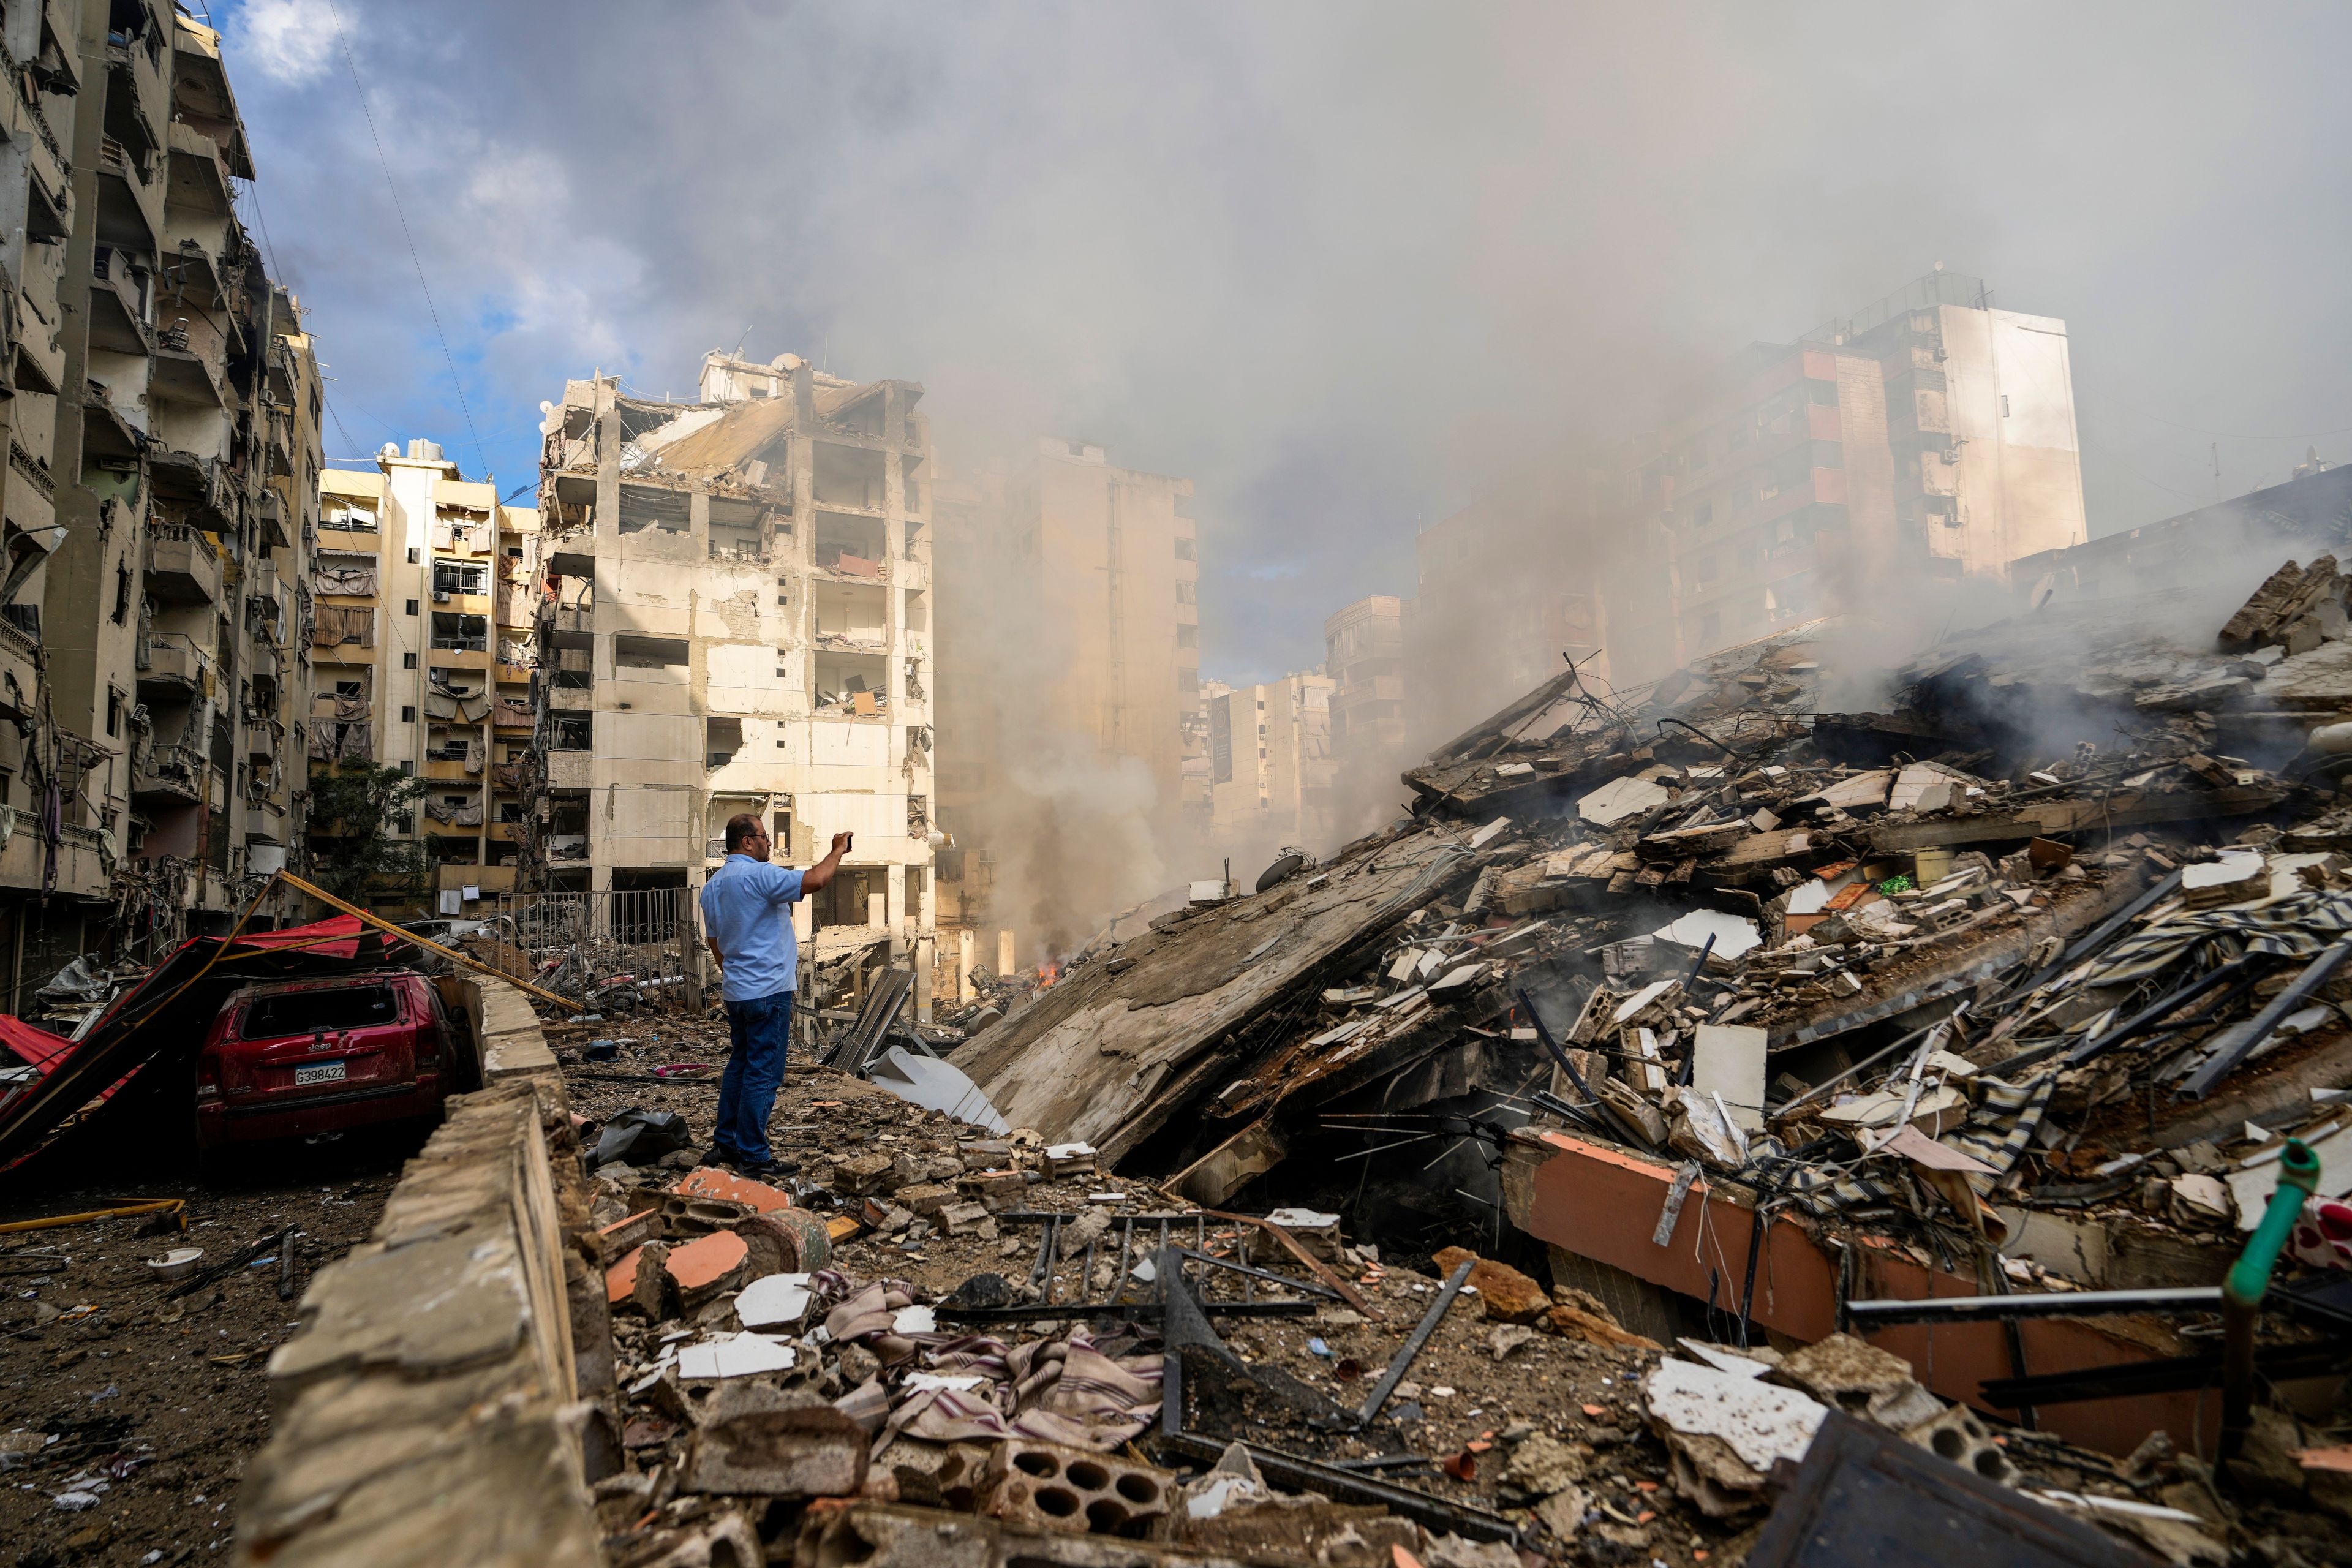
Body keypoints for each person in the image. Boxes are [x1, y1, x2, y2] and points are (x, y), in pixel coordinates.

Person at [698, 814, 851, 1178]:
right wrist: (837, 851)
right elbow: (816, 880)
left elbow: (714, 942)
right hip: (769, 991)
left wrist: (733, 973)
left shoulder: (713, 886)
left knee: (740, 1065)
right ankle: (753, 1154)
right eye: (765, 836)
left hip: (737, 992)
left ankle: (726, 1144)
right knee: (764, 1072)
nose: (770, 842)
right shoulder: (760, 875)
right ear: (747, 842)